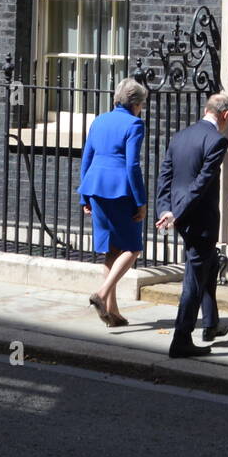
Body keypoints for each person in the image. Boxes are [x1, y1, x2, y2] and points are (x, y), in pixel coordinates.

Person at [155, 91, 228, 358]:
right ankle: (181, 338)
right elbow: (202, 184)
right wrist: (176, 213)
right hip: (198, 219)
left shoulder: (180, 136)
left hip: (180, 214)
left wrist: (166, 208)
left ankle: (210, 323)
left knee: (209, 264)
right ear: (224, 115)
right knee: (193, 279)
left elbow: (165, 176)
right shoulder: (217, 141)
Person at [78, 76, 148, 328]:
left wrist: (84, 195)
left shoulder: (99, 120)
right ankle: (102, 293)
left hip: (95, 188)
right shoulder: (134, 124)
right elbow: (132, 165)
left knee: (112, 250)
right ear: (136, 104)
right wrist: (141, 201)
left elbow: (86, 158)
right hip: (120, 192)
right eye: (141, 105)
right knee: (133, 248)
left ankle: (112, 313)